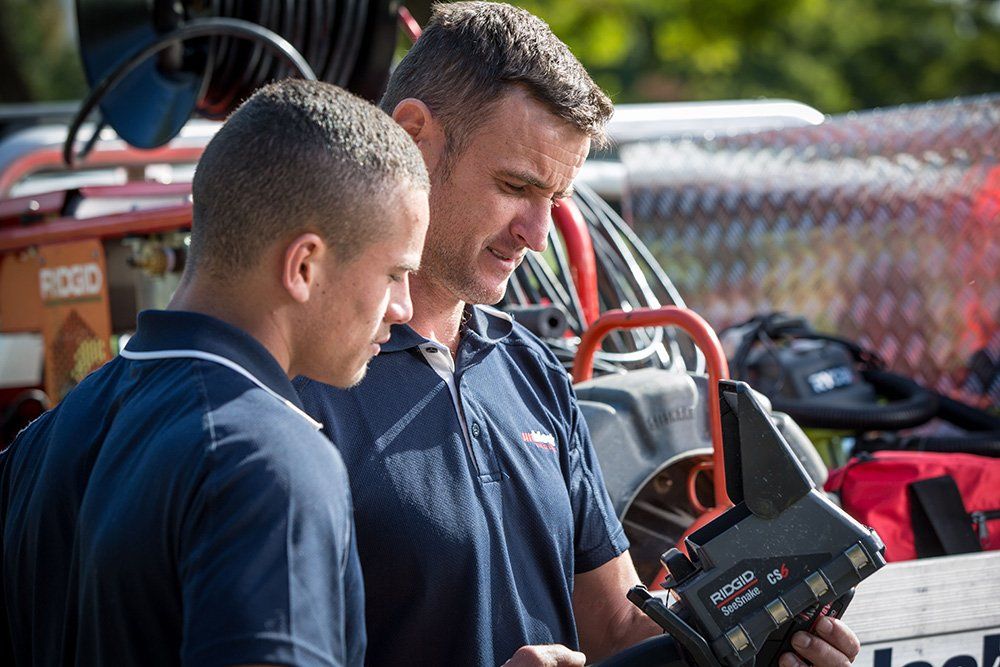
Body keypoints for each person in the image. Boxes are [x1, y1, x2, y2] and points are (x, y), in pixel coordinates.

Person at [295, 3, 862, 667]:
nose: (538, 235)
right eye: (515, 186)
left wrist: (760, 636)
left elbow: (617, 626)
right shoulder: (299, 374)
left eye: (555, 201)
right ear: (415, 136)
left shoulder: (530, 370)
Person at [0, 79, 429, 666]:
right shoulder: (268, 463)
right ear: (303, 265)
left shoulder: (44, 440)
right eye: (394, 273)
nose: (404, 307)